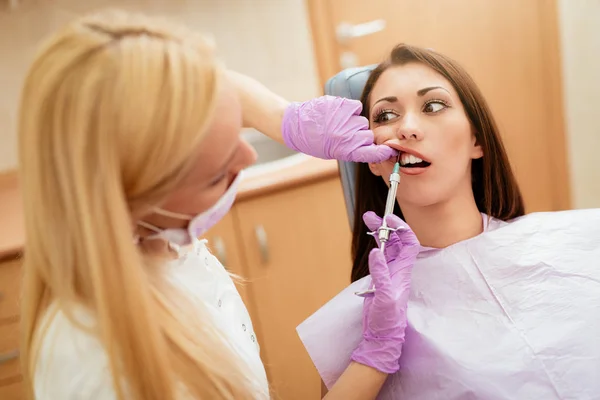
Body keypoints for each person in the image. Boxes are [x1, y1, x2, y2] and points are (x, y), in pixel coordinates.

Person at [17, 10, 420, 400]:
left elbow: (209, 89)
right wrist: (374, 355)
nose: (247, 160)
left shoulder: (154, 239)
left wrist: (283, 117)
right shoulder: (100, 367)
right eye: (216, 175)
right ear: (129, 197)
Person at [298, 44, 600, 399]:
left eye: (433, 106)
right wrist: (374, 356)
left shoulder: (580, 243)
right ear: (372, 160)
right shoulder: (362, 322)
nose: (408, 128)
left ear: (477, 139)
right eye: (385, 116)